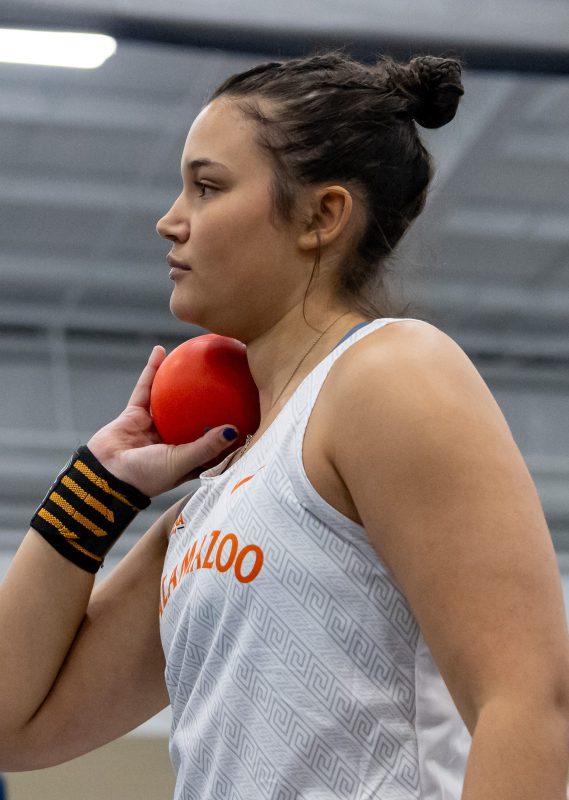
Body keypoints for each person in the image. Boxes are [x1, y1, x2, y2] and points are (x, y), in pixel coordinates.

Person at [0, 50, 568, 800]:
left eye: (207, 187)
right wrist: (97, 485)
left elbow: (531, 704)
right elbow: (16, 725)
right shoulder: (222, 484)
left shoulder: (391, 373)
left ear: (321, 215)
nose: (170, 221)